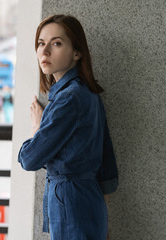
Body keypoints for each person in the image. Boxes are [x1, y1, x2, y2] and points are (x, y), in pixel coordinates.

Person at [18, 15, 118, 240]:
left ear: (77, 52)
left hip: (70, 201)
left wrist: (37, 126)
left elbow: (29, 159)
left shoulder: (68, 99)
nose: (44, 52)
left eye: (56, 43)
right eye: (41, 43)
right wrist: (103, 215)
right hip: (90, 200)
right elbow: (106, 160)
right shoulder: (87, 92)